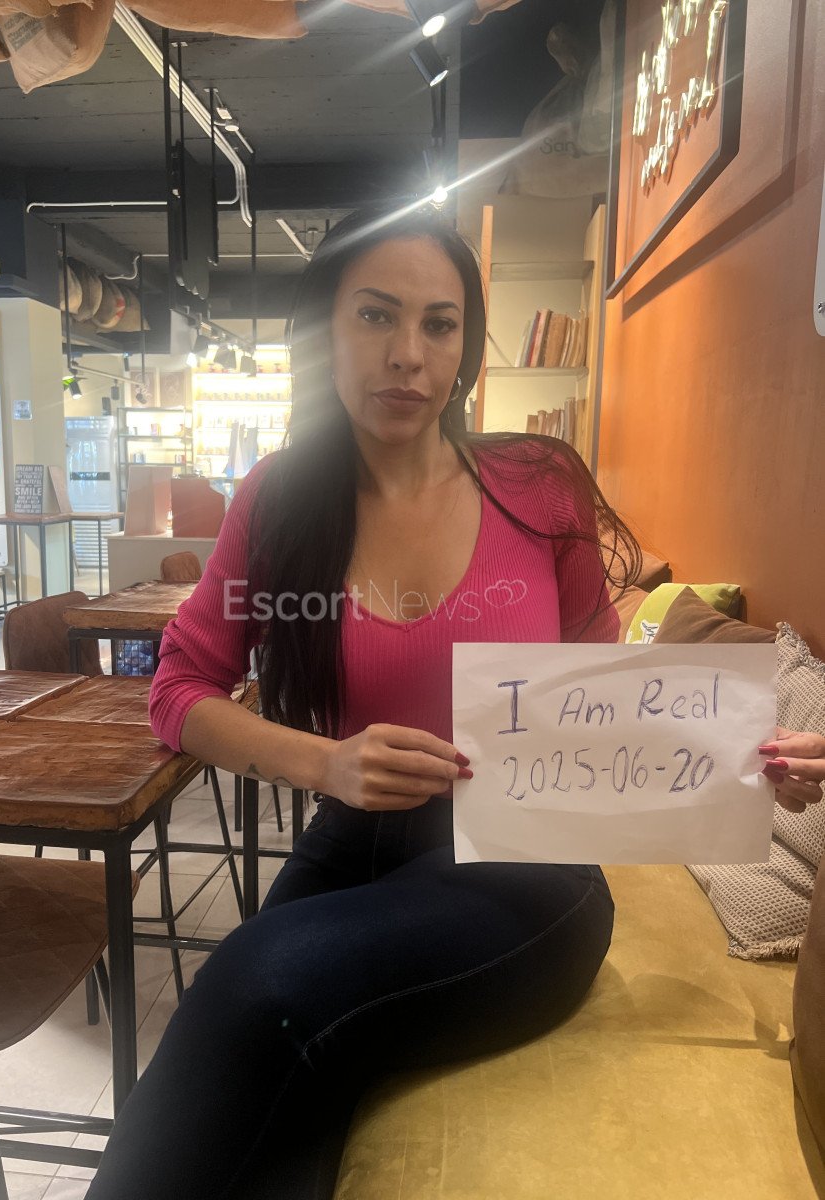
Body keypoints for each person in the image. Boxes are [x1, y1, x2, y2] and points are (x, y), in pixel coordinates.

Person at [85, 206, 823, 1200]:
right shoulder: (279, 499)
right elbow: (177, 690)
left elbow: (604, 698)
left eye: (439, 324)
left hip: (526, 863)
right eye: (376, 316)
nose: (408, 355)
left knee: (261, 987)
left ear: (468, 345)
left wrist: (739, 759)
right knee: (264, 1063)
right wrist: (325, 761)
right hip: (352, 842)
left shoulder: (538, 486)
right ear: (326, 328)